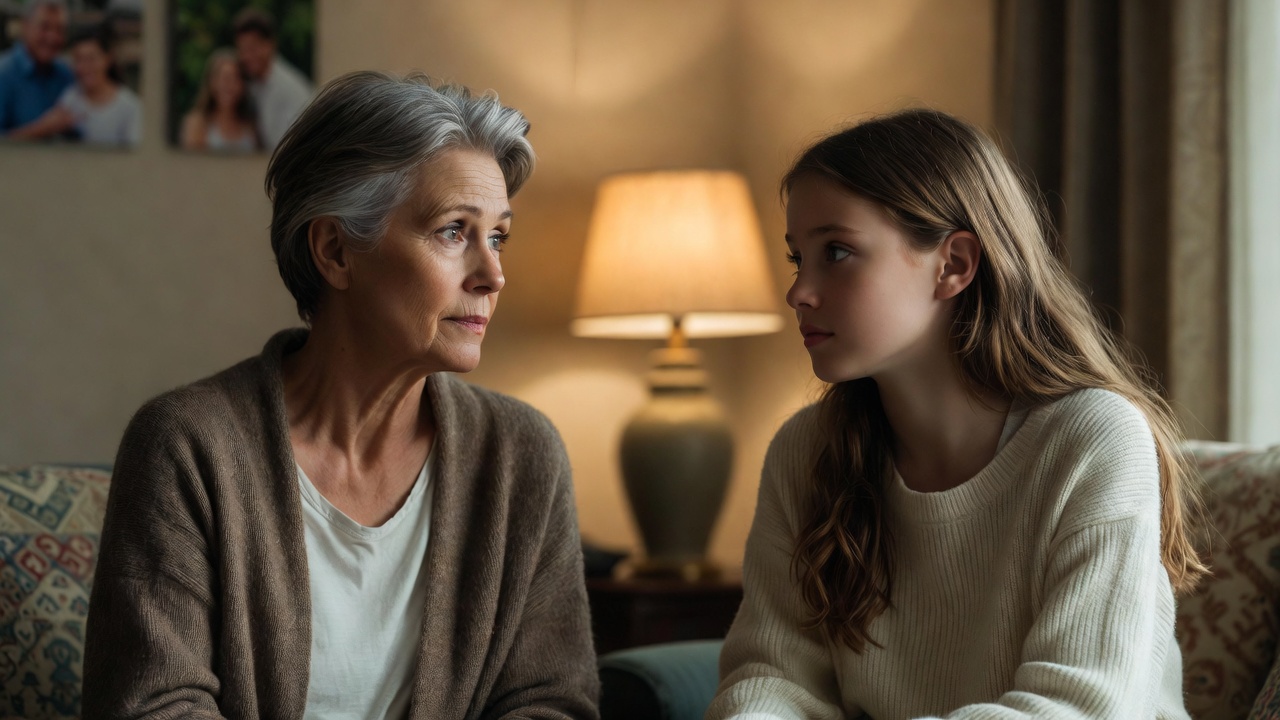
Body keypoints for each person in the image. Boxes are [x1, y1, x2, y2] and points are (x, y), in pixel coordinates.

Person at [83, 71, 599, 719]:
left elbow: (550, 703)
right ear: (334, 251)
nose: (493, 274)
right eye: (452, 231)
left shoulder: (521, 455)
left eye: (498, 235)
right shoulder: (188, 446)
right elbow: (152, 706)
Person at [706, 109, 1205, 719]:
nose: (798, 293)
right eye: (797, 258)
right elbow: (772, 679)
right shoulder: (805, 451)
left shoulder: (1093, 438)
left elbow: (1078, 707)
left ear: (954, 265)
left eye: (836, 252)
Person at [10, 26, 140, 146]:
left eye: (91, 59)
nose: (85, 67)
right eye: (79, 59)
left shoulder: (129, 107)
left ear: (107, 59)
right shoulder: (71, 98)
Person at [232, 7, 311, 150]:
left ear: (270, 45)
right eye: (242, 50)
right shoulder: (253, 85)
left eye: (252, 48)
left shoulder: (291, 89)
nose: (246, 57)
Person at [0, 0, 72, 134]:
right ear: (25, 26)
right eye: (45, 27)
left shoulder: (66, 74)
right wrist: (41, 129)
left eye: (59, 30)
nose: (52, 37)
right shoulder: (4, 74)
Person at [181, 48, 260, 152]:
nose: (230, 86)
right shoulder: (197, 124)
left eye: (236, 79)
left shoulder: (250, 125)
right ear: (212, 82)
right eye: (226, 79)